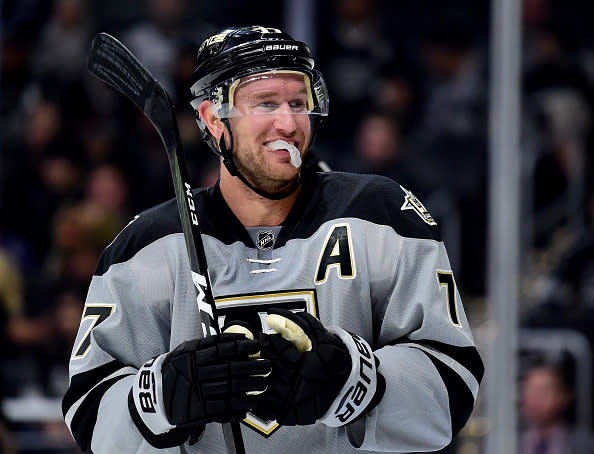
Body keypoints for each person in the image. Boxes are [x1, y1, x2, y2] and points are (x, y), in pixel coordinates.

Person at [62, 25, 483, 453]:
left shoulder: (381, 217)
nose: (288, 122)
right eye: (266, 103)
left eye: (298, 103)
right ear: (213, 119)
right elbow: (90, 415)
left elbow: (452, 390)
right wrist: (161, 396)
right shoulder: (145, 249)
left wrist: (354, 376)